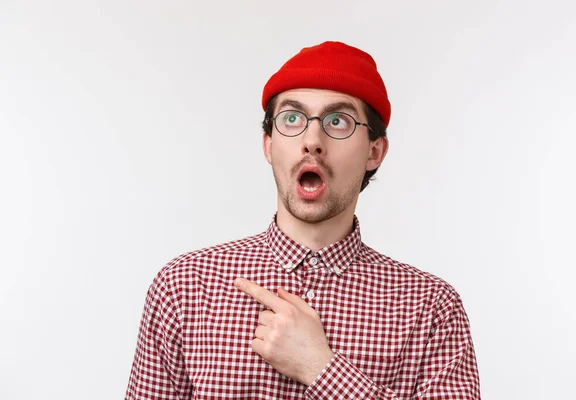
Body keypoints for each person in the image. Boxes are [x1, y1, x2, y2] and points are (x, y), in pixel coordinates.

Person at [125, 41, 480, 399]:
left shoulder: (431, 308)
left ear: (374, 152)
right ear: (268, 144)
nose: (312, 141)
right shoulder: (184, 288)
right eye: (292, 118)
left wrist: (321, 369)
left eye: (337, 121)